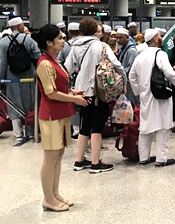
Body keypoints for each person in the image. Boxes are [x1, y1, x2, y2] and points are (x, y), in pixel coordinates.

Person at [32, 24, 89, 212]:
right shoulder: (44, 63)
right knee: (50, 158)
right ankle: (48, 198)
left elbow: (60, 86)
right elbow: (51, 93)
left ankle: (54, 193)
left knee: (58, 156)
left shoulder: (54, 59)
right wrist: (74, 99)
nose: (64, 40)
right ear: (49, 42)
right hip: (51, 115)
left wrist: (72, 91)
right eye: (60, 38)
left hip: (61, 113)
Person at [64, 17, 126, 174]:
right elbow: (117, 65)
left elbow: (66, 69)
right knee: (97, 127)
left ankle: (79, 160)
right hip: (98, 91)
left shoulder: (75, 46)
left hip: (81, 92)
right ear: (95, 31)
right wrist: (123, 82)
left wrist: (68, 87)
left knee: (85, 125)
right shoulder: (101, 45)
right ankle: (95, 163)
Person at [129, 29, 175, 167]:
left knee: (145, 126)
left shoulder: (140, 56)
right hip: (160, 95)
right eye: (159, 36)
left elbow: (131, 76)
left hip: (145, 96)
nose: (161, 37)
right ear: (155, 39)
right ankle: (161, 159)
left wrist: (139, 90)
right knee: (163, 126)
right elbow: (169, 72)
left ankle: (143, 157)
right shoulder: (160, 54)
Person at [0, 18, 41, 145]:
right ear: (19, 26)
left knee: (13, 104)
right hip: (29, 76)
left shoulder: (4, 42)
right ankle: (31, 132)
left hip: (12, 77)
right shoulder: (29, 39)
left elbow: (3, 64)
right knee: (30, 103)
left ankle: (18, 134)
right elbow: (38, 57)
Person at [116, 28, 139, 106]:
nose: (118, 40)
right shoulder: (122, 49)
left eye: (120, 38)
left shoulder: (131, 51)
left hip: (129, 83)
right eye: (117, 38)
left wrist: (119, 75)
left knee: (130, 105)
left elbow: (131, 69)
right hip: (124, 81)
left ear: (127, 37)